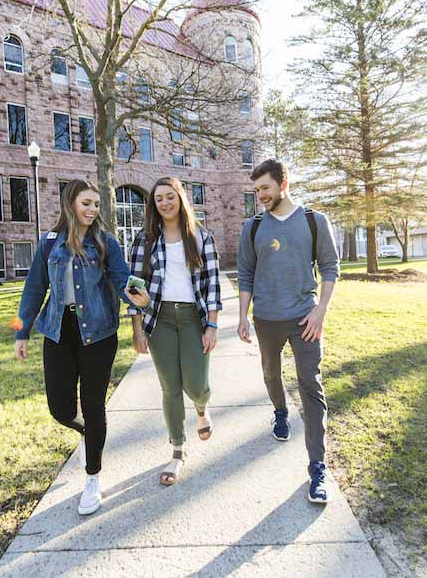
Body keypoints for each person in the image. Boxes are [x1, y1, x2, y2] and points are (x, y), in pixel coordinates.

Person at [14, 179, 150, 516]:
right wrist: (21, 331)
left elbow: (121, 279)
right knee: (60, 409)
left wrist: (139, 298)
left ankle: (92, 478)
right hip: (59, 332)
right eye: (86, 203)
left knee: (93, 405)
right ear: (70, 204)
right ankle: (89, 435)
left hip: (99, 334)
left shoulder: (106, 243)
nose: (92, 210)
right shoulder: (49, 243)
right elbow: (34, 289)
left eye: (96, 205)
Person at [236, 159, 340, 504]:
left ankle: (317, 467)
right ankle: (280, 410)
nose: (260, 196)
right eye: (256, 190)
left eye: (265, 188)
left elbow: (329, 267)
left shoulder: (314, 221)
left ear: (284, 184)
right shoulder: (252, 227)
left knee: (310, 384)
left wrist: (320, 311)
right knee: (270, 373)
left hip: (304, 318)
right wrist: (243, 316)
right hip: (266, 317)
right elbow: (246, 274)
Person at [128, 177, 222, 486]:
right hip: (160, 319)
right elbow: (134, 287)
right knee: (170, 386)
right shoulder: (144, 240)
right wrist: (137, 328)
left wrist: (211, 324)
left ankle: (202, 408)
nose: (165, 203)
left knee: (196, 385)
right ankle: (178, 451)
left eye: (170, 197)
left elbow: (212, 286)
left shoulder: (201, 237)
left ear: (180, 198)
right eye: (159, 199)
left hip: (194, 318)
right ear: (153, 205)